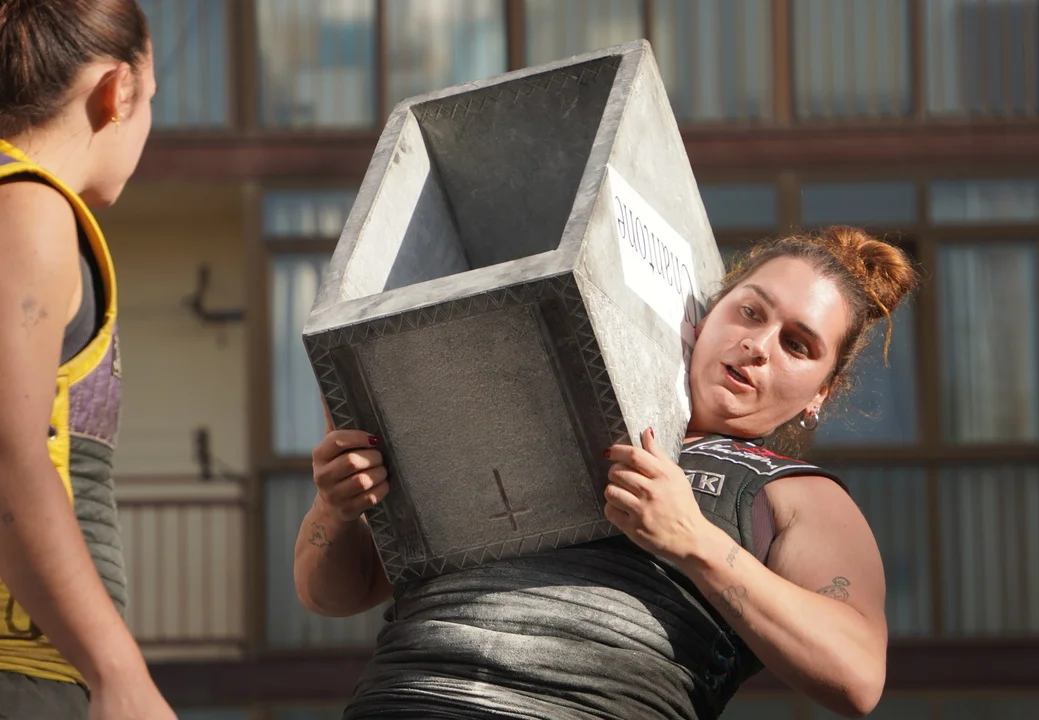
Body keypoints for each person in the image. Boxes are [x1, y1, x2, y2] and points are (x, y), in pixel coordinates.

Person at [295, 226, 919, 719]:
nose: (759, 345)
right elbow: (334, 594)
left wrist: (695, 541)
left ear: (821, 392)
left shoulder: (795, 494)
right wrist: (337, 508)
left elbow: (857, 676)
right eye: (751, 312)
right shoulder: (543, 404)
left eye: (798, 345)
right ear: (706, 315)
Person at [0, 1, 175, 718]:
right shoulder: (28, 210)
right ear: (116, 91)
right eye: (152, 97)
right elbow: (8, 453)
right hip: (23, 673)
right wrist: (117, 670)